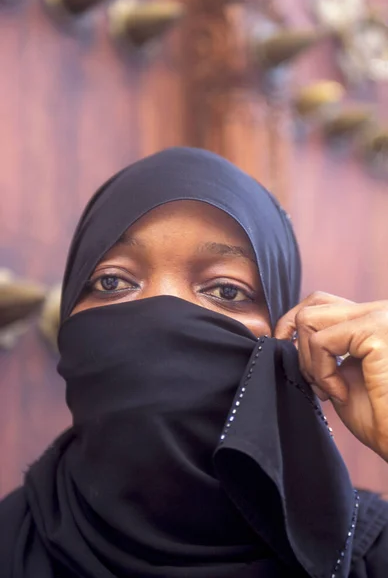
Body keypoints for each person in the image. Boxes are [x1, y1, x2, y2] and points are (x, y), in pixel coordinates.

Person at [1, 146, 388, 578]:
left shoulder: (369, 556)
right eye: (113, 281)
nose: (163, 312)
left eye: (225, 291)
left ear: (284, 334)